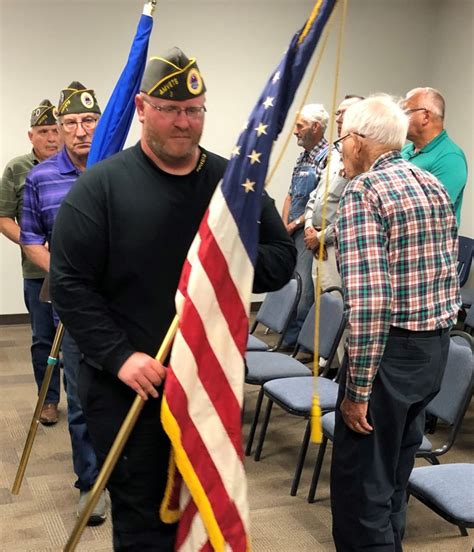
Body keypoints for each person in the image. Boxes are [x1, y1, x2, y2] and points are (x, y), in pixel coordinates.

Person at [49, 48, 296, 550]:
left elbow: (281, 258)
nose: (184, 122)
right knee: (144, 521)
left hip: (207, 379)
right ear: (141, 107)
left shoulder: (233, 187)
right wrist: (120, 356)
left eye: (194, 110)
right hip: (130, 387)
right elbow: (70, 287)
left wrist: (226, 256)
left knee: (205, 506)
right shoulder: (100, 188)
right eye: (169, 109)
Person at [331, 95, 460, 551]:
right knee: (392, 482)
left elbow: (369, 304)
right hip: (432, 352)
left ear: (362, 142)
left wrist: (357, 391)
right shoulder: (431, 185)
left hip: (386, 354)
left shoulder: (363, 193)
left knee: (361, 490)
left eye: (343, 137)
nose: (341, 148)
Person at [20, 82, 106, 524]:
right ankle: (91, 485)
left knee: (132, 399)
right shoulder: (40, 179)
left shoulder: (121, 168)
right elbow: (31, 237)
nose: (80, 131)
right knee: (83, 402)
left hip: (123, 311)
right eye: (69, 123)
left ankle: (129, 476)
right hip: (72, 314)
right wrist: (65, 274)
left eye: (88, 121)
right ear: (59, 128)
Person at [0, 100, 61, 424]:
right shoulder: (17, 168)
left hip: (80, 272)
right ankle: (48, 400)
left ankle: (87, 401)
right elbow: (3, 216)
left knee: (84, 338)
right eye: (43, 131)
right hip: (37, 271)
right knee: (43, 338)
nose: (51, 138)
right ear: (30, 135)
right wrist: (34, 242)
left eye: (55, 130)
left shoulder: (82, 165)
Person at [303, 95, 364, 291]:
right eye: (338, 113)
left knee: (334, 308)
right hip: (316, 242)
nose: (337, 119)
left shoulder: (361, 160)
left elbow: (354, 215)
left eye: (344, 114)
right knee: (317, 307)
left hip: (334, 247)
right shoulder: (336, 153)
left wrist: (321, 237)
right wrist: (308, 227)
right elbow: (316, 196)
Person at [281, 103, 329, 347]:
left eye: (300, 126)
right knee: (287, 282)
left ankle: (300, 345)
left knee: (304, 289)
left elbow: (317, 201)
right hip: (291, 229)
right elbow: (291, 194)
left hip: (308, 232)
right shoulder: (303, 157)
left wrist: (295, 225)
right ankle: (285, 339)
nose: (295, 131)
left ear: (316, 127)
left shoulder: (328, 157)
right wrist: (283, 224)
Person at [400, 87, 468, 224]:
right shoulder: (405, 151)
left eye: (406, 112)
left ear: (425, 116)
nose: (400, 118)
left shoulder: (450, 158)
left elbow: (431, 213)